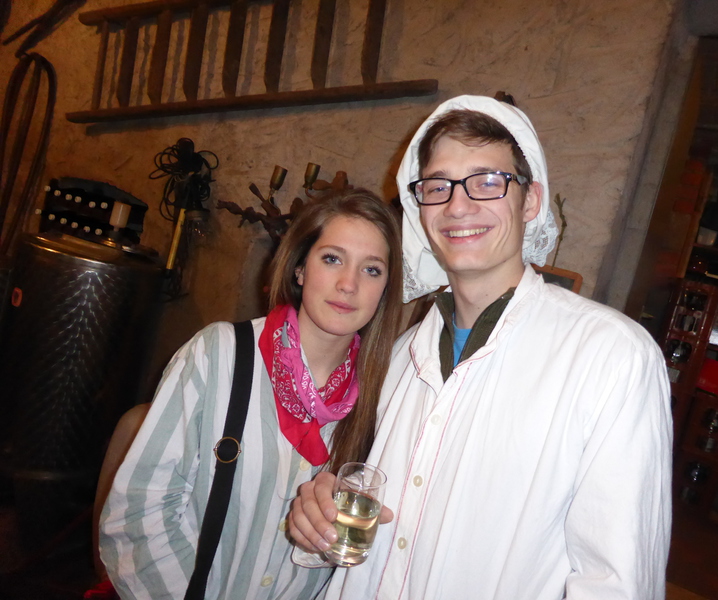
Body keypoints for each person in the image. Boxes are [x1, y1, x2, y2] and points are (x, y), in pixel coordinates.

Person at [289, 95, 673, 599]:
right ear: (420, 209)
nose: (457, 205)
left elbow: (617, 584)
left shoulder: (610, 358)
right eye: (438, 185)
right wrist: (319, 518)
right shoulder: (401, 356)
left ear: (530, 201)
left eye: (488, 181)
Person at [99, 188, 404, 599]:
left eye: (372, 270)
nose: (349, 284)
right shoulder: (219, 354)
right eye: (332, 259)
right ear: (299, 269)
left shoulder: (385, 397)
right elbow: (139, 513)